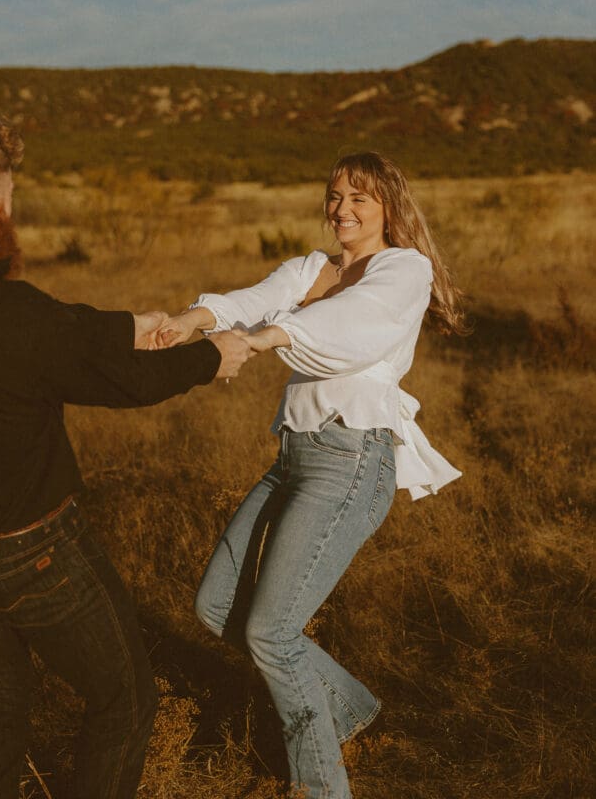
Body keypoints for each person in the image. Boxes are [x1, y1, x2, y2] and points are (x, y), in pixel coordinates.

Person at [0, 105, 250, 799]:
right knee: (125, 699)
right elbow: (124, 380)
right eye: (6, 189)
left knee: (0, 692)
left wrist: (135, 323)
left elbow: (63, 333)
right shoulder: (13, 316)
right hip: (29, 552)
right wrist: (210, 358)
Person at [157, 151, 466, 799]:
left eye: (358, 197)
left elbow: (348, 329)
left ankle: (320, 787)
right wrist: (194, 319)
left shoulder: (401, 269)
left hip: (350, 461)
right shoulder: (313, 268)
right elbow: (255, 298)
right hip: (293, 458)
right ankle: (348, 709)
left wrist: (267, 338)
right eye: (333, 196)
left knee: (271, 632)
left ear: (387, 207)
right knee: (216, 606)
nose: (341, 209)